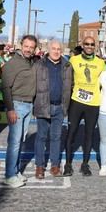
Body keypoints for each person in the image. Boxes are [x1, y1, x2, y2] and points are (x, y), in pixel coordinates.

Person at [64, 37, 105, 176]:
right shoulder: (74, 60)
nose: (89, 46)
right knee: (72, 132)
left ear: (95, 46)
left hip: (93, 103)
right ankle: (68, 165)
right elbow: (66, 79)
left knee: (89, 134)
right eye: (86, 44)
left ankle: (85, 164)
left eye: (92, 44)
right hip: (76, 101)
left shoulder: (101, 63)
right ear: (82, 45)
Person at [1, 35, 38, 188]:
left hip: (28, 105)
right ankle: (9, 175)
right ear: (20, 45)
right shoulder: (13, 63)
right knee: (14, 142)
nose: (28, 49)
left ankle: (15, 171)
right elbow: (5, 87)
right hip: (16, 105)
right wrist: (10, 109)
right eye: (26, 46)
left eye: (31, 47)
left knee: (20, 141)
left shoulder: (31, 62)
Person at [34, 40, 73, 179]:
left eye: (58, 49)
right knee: (41, 137)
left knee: (56, 137)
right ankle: (39, 166)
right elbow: (34, 85)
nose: (56, 51)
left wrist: (66, 107)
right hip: (44, 105)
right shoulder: (39, 65)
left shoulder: (67, 66)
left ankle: (54, 166)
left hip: (59, 107)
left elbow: (70, 85)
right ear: (48, 50)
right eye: (53, 49)